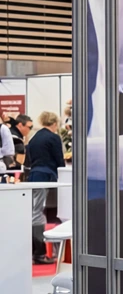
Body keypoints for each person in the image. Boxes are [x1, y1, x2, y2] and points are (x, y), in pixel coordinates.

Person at [24, 111, 66, 264]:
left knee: (35, 211)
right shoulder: (53, 138)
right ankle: (39, 252)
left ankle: (37, 251)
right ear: (54, 123)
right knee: (38, 213)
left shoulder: (34, 138)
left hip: (34, 175)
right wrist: (63, 175)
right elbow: (59, 159)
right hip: (47, 177)